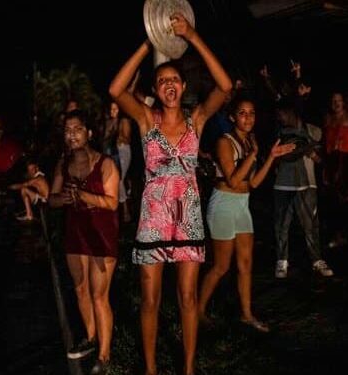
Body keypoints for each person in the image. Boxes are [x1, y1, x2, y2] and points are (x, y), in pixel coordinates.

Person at [108, 13, 232, 375]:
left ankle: (189, 368)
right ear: (156, 88)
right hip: (153, 220)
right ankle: (150, 369)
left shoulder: (197, 120)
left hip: (188, 219)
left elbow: (224, 86)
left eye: (175, 79)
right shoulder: (147, 120)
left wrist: (192, 36)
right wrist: (150, 41)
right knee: (150, 300)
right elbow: (116, 90)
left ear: (183, 85)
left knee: (188, 298)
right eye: (162, 81)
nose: (169, 85)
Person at [197, 95, 295, 332]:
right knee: (221, 266)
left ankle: (247, 314)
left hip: (243, 204)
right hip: (223, 204)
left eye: (251, 113)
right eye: (242, 113)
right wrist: (253, 154)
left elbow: (253, 184)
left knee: (246, 264)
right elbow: (232, 180)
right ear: (232, 117)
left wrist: (270, 157)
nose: (248, 118)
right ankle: (197, 309)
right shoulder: (225, 142)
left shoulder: (251, 142)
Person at [49, 110, 119, 374]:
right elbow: (52, 199)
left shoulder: (106, 164)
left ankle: (104, 354)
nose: (72, 135)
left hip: (101, 234)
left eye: (77, 129)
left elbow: (112, 203)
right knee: (80, 289)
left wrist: (84, 196)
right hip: (75, 233)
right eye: (68, 130)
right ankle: (90, 338)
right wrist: (65, 199)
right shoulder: (63, 164)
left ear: (89, 133)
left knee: (99, 295)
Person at [272, 99, 334, 279]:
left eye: (282, 113)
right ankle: (282, 262)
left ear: (292, 112)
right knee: (281, 225)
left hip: (307, 184)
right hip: (283, 184)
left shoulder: (313, 131)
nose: (280, 117)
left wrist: (312, 153)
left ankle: (316, 260)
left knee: (310, 225)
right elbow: (272, 159)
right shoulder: (278, 132)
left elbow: (322, 159)